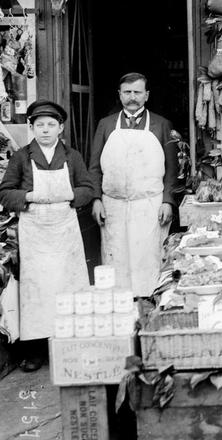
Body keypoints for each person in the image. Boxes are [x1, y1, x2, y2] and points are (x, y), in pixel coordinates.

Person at [0, 100, 93, 372]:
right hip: (35, 230)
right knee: (38, 291)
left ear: (60, 128)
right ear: (31, 127)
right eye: (39, 125)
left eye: (51, 125)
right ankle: (37, 351)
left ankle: (70, 345)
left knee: (68, 286)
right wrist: (27, 196)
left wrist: (73, 195)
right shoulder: (22, 157)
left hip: (65, 229)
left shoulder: (72, 156)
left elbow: (88, 187)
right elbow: (5, 192)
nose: (45, 130)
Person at [89, 72, 178, 297]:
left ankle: (149, 303)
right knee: (115, 257)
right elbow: (95, 167)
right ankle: (119, 309)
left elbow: (172, 170)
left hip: (149, 204)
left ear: (146, 95)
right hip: (114, 205)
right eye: (127, 92)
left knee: (148, 257)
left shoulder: (161, 124)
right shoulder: (106, 124)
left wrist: (168, 201)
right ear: (119, 95)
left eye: (137, 92)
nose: (132, 97)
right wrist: (96, 199)